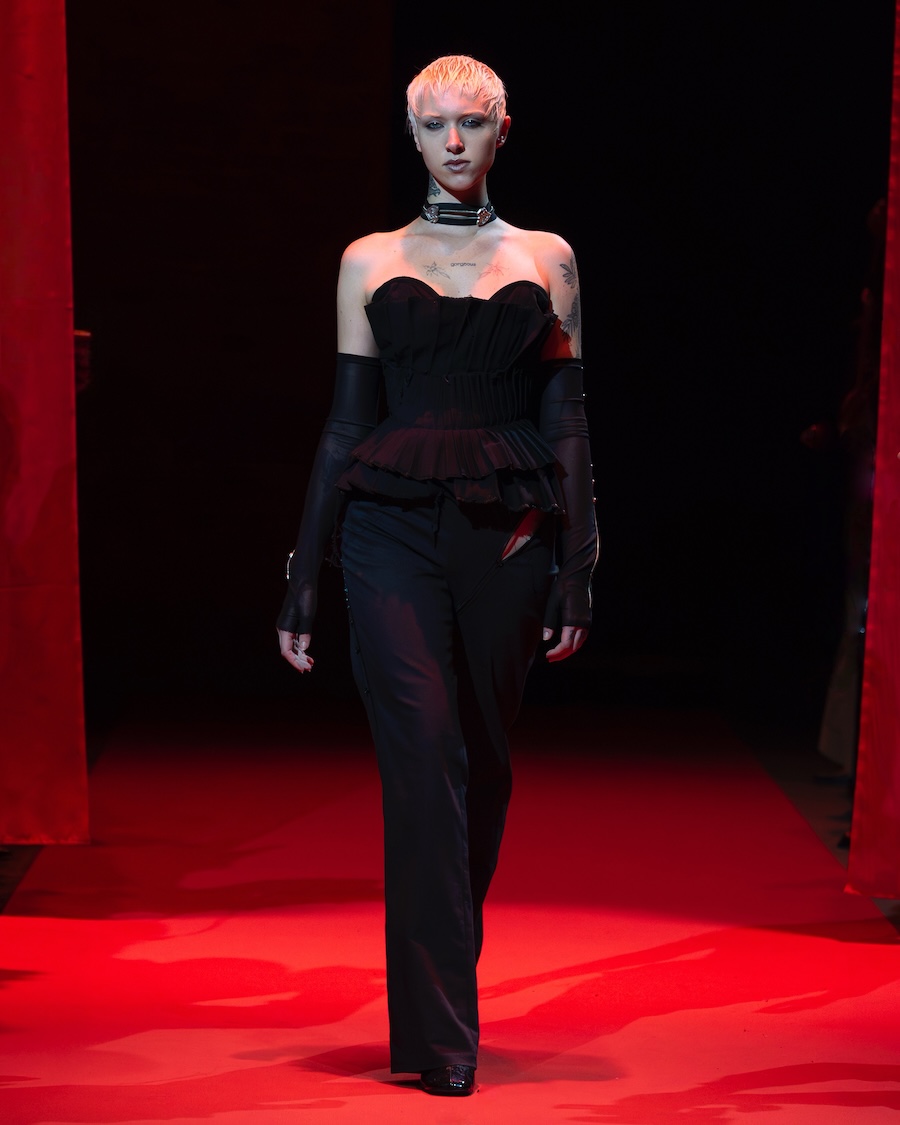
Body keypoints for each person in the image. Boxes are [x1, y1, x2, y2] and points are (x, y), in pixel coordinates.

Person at [275, 54, 598, 1097]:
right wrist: (305, 575)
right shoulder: (367, 260)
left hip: (507, 530)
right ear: (410, 133)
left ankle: (439, 971)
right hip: (387, 526)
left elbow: (568, 424)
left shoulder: (548, 257)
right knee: (423, 758)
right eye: (433, 124)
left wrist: (578, 568)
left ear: (505, 129)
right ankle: (442, 1034)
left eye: (472, 123)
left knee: (482, 767)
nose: (453, 142)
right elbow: (344, 424)